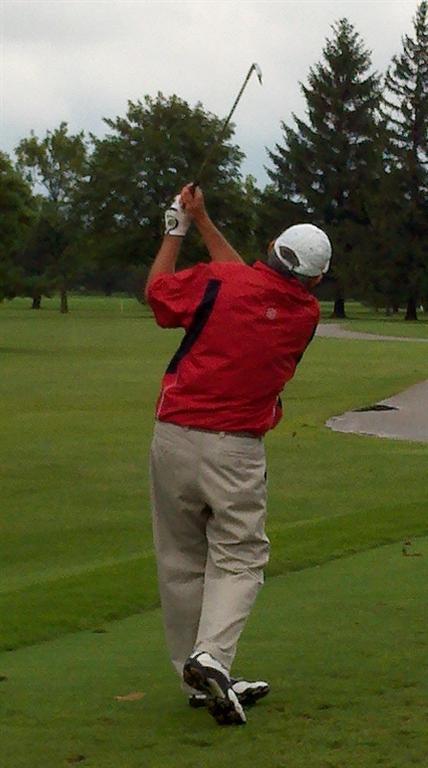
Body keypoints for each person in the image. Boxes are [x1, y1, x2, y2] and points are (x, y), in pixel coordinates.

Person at [146, 183, 331, 726]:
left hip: (172, 437)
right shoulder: (306, 312)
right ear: (316, 279)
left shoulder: (224, 282)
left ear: (271, 247)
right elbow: (248, 283)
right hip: (236, 451)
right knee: (241, 556)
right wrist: (201, 221)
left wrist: (176, 230)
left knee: (181, 561)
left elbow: (158, 292)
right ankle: (212, 660)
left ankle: (197, 674)